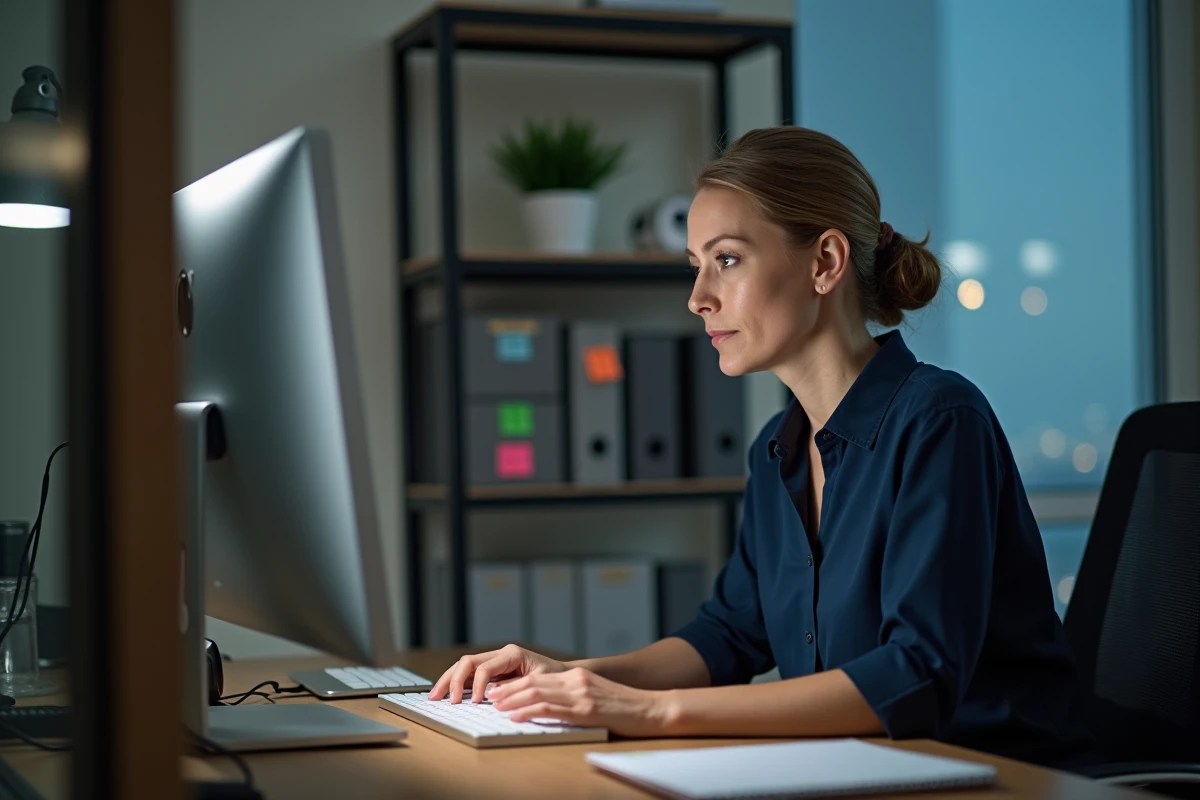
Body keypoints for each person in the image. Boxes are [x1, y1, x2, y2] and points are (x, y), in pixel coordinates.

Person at [429, 126, 1100, 769]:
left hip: (995, 776)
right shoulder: (776, 452)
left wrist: (651, 712)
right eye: (696, 267)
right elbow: (727, 636)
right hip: (859, 772)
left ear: (825, 262)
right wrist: (572, 676)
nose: (697, 299)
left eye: (726, 260)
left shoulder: (939, 422)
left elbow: (916, 675)